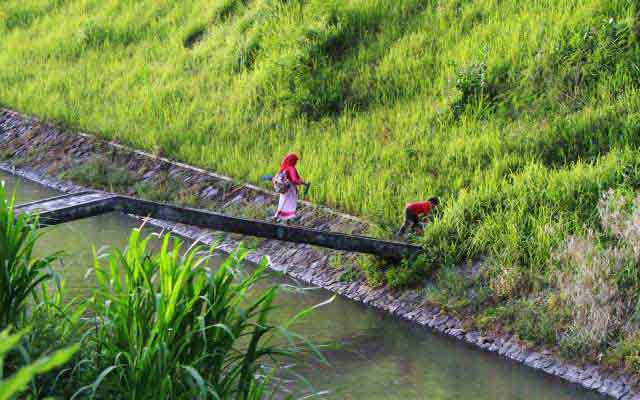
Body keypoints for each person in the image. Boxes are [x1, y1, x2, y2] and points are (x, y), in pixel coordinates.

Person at [273, 153, 306, 223]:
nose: (296, 162)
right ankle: (288, 220)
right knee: (290, 204)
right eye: (295, 161)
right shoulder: (291, 168)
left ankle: (276, 218)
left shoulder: (283, 168)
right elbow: (294, 180)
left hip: (283, 189)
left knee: (282, 203)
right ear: (292, 161)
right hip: (290, 190)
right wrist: (303, 182)